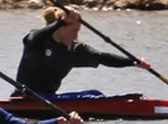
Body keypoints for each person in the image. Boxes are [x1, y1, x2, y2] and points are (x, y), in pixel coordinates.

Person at [14, 6, 151, 95]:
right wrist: (61, 21)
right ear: (60, 28)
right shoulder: (38, 40)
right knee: (93, 97)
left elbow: (103, 58)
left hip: (50, 99)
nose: (76, 36)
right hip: (23, 98)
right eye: (74, 30)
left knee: (95, 95)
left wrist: (134, 62)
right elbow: (32, 37)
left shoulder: (75, 50)